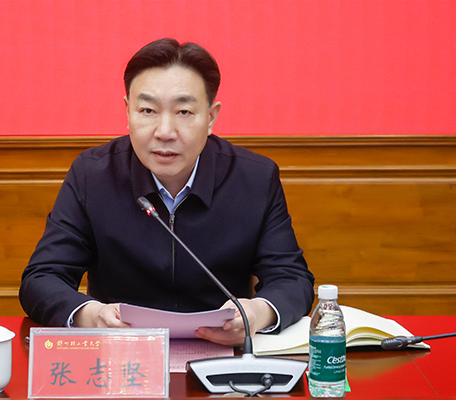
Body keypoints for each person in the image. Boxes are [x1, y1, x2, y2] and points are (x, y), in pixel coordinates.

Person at [19, 38, 314, 347]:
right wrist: (92, 316)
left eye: (184, 112)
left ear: (211, 117)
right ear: (128, 111)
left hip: (223, 352)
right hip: (121, 353)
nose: (164, 132)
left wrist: (257, 313)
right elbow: (42, 279)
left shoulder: (254, 178)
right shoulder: (92, 175)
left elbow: (291, 278)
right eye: (148, 110)